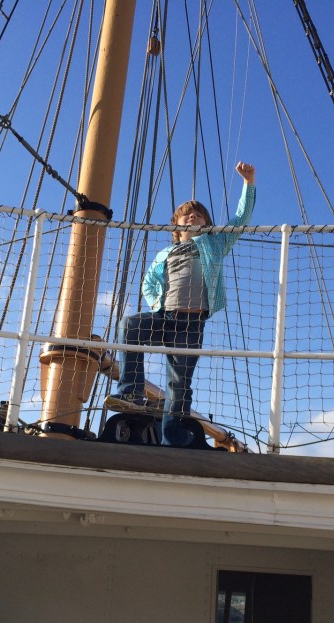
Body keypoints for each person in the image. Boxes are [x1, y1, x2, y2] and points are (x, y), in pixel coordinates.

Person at [108, 161, 256, 446]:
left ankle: (172, 439)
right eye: (187, 215)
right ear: (176, 225)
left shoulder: (215, 244)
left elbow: (240, 219)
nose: (192, 217)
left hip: (191, 324)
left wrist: (248, 184)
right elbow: (148, 284)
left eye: (199, 216)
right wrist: (156, 304)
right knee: (130, 325)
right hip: (164, 317)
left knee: (179, 384)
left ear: (207, 225)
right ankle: (130, 390)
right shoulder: (165, 254)